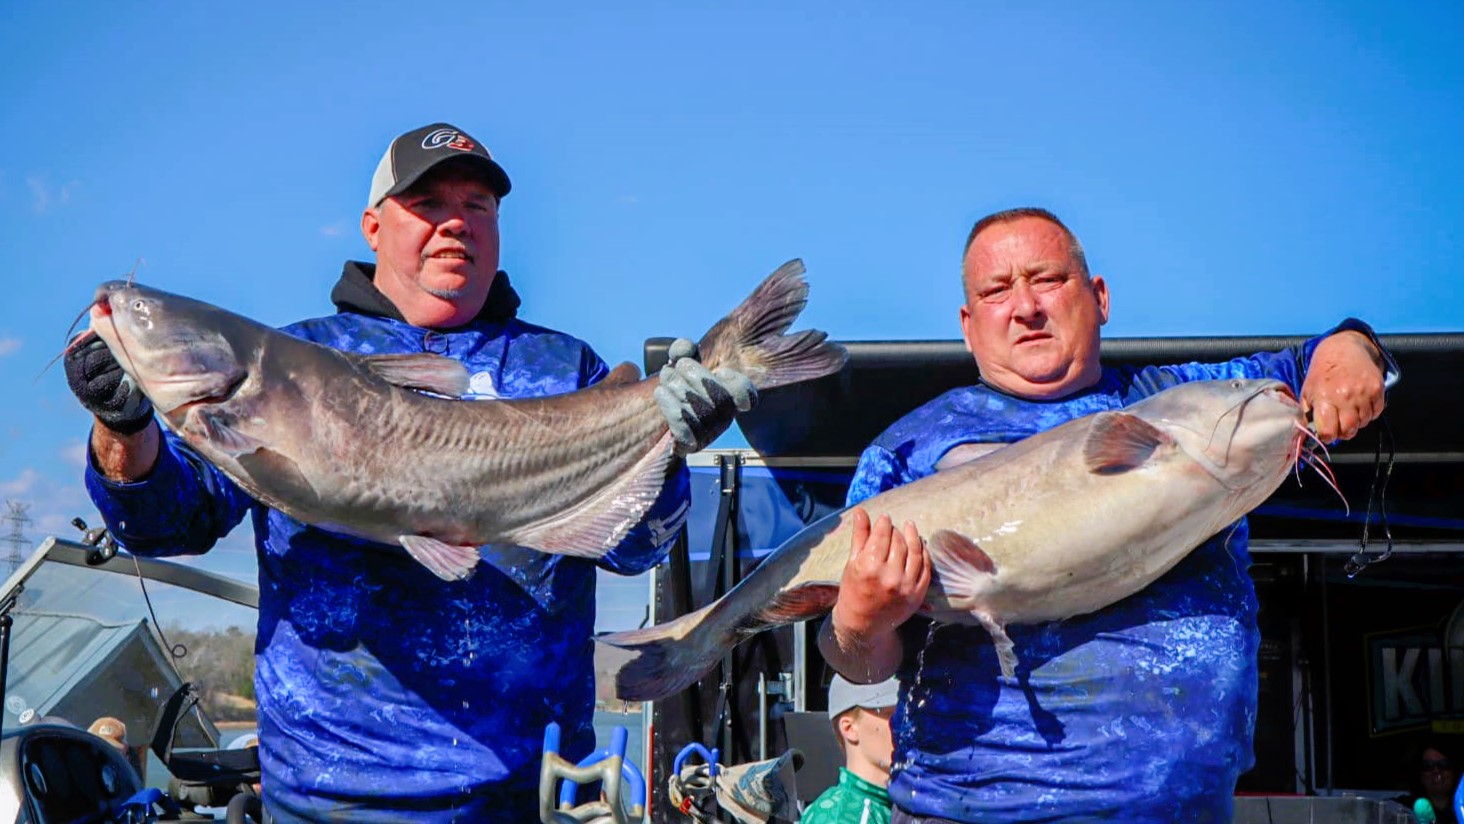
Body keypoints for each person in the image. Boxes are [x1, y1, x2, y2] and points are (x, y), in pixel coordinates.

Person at [64, 122, 751, 821]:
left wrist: (671, 445)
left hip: (531, 795)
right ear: (372, 226)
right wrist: (124, 428)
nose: (455, 223)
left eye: (476, 205)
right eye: (427, 204)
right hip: (331, 801)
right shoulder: (294, 355)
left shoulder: (567, 373)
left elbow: (639, 549)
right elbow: (167, 522)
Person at [818, 207, 1397, 823]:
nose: (1025, 307)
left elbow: (1318, 358)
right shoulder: (906, 452)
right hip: (969, 808)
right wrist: (859, 624)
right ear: (968, 325)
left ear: (1099, 298)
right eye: (996, 291)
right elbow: (856, 658)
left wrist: (1353, 350)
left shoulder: (1180, 397)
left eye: (1047, 279)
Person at [803, 675, 898, 824]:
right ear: (849, 728)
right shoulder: (840, 817)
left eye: (907, 714)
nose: (905, 725)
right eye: (891, 714)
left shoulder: (891, 805)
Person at [1397, 740, 1460, 823]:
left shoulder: (1461, 810)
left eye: (1444, 764)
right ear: (1419, 774)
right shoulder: (1403, 807)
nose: (1436, 771)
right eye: (1428, 766)